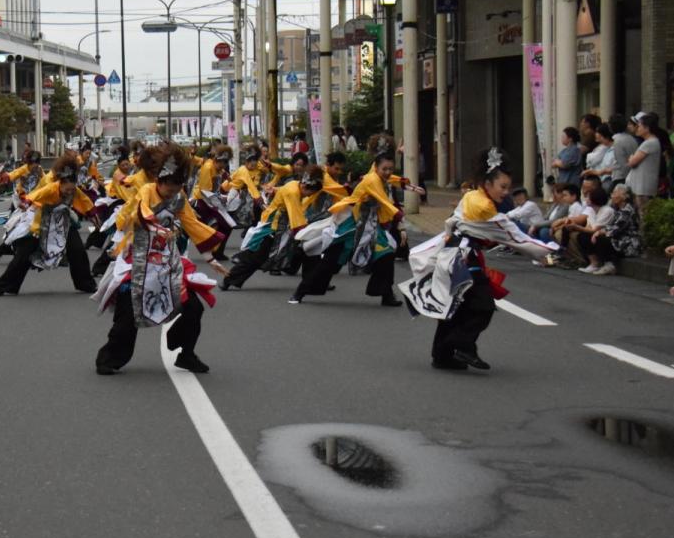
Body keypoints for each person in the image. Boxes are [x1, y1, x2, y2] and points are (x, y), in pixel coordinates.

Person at [400, 147, 556, 372]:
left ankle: (442, 356)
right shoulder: (483, 208)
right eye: (502, 187)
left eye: (508, 187)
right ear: (488, 183)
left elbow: (454, 222)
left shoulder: (472, 196)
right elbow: (515, 237)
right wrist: (549, 251)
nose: (506, 192)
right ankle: (462, 346)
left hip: (451, 254)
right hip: (463, 259)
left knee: (455, 307)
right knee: (483, 306)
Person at [92, 144, 228, 376]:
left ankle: (185, 353)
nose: (172, 191)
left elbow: (192, 224)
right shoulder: (146, 190)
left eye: (177, 186)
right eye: (169, 186)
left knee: (193, 307)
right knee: (128, 314)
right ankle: (109, 358)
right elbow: (142, 212)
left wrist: (210, 257)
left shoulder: (179, 198)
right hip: (138, 258)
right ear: (159, 179)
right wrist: (158, 228)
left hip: (165, 261)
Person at [288, 147, 423, 306]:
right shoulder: (372, 180)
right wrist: (400, 221)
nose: (388, 172)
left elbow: (392, 179)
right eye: (384, 169)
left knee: (386, 255)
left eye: (390, 169)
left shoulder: (379, 176)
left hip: (371, 224)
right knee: (331, 260)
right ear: (376, 167)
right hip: (353, 224)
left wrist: (409, 186)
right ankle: (301, 291)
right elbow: (385, 202)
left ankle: (386, 294)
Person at [221, 165, 342, 290]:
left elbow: (285, 196)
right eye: (310, 193)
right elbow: (296, 219)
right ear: (306, 187)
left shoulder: (295, 184)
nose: (308, 196)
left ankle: (315, 282)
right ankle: (229, 279)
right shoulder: (293, 192)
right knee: (256, 257)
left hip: (280, 225)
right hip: (274, 226)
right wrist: (307, 232)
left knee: (305, 252)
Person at [0, 154, 97, 297]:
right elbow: (35, 195)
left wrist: (92, 215)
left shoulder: (73, 188)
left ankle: (86, 284)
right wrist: (26, 203)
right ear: (61, 182)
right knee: (24, 253)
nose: (69, 192)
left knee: (77, 249)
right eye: (67, 189)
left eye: (72, 190)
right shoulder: (50, 185)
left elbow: (84, 201)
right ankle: (4, 286)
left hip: (61, 220)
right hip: (41, 219)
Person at [577, 183, 642, 276]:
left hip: (627, 242)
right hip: (616, 238)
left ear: (624, 197)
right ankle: (594, 263)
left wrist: (600, 232)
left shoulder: (628, 210)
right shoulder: (616, 208)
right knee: (584, 235)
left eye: (615, 193)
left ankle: (609, 264)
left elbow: (616, 228)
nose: (612, 196)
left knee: (600, 238)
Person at [626, 112, 670, 209]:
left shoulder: (649, 143)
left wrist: (631, 158)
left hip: (643, 187)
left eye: (639, 126)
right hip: (643, 186)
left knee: (643, 212)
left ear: (647, 128)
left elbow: (632, 162)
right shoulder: (651, 141)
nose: (637, 128)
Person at [607, 114, 638, 189]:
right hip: (631, 175)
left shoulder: (617, 141)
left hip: (621, 177)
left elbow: (622, 164)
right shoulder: (632, 138)